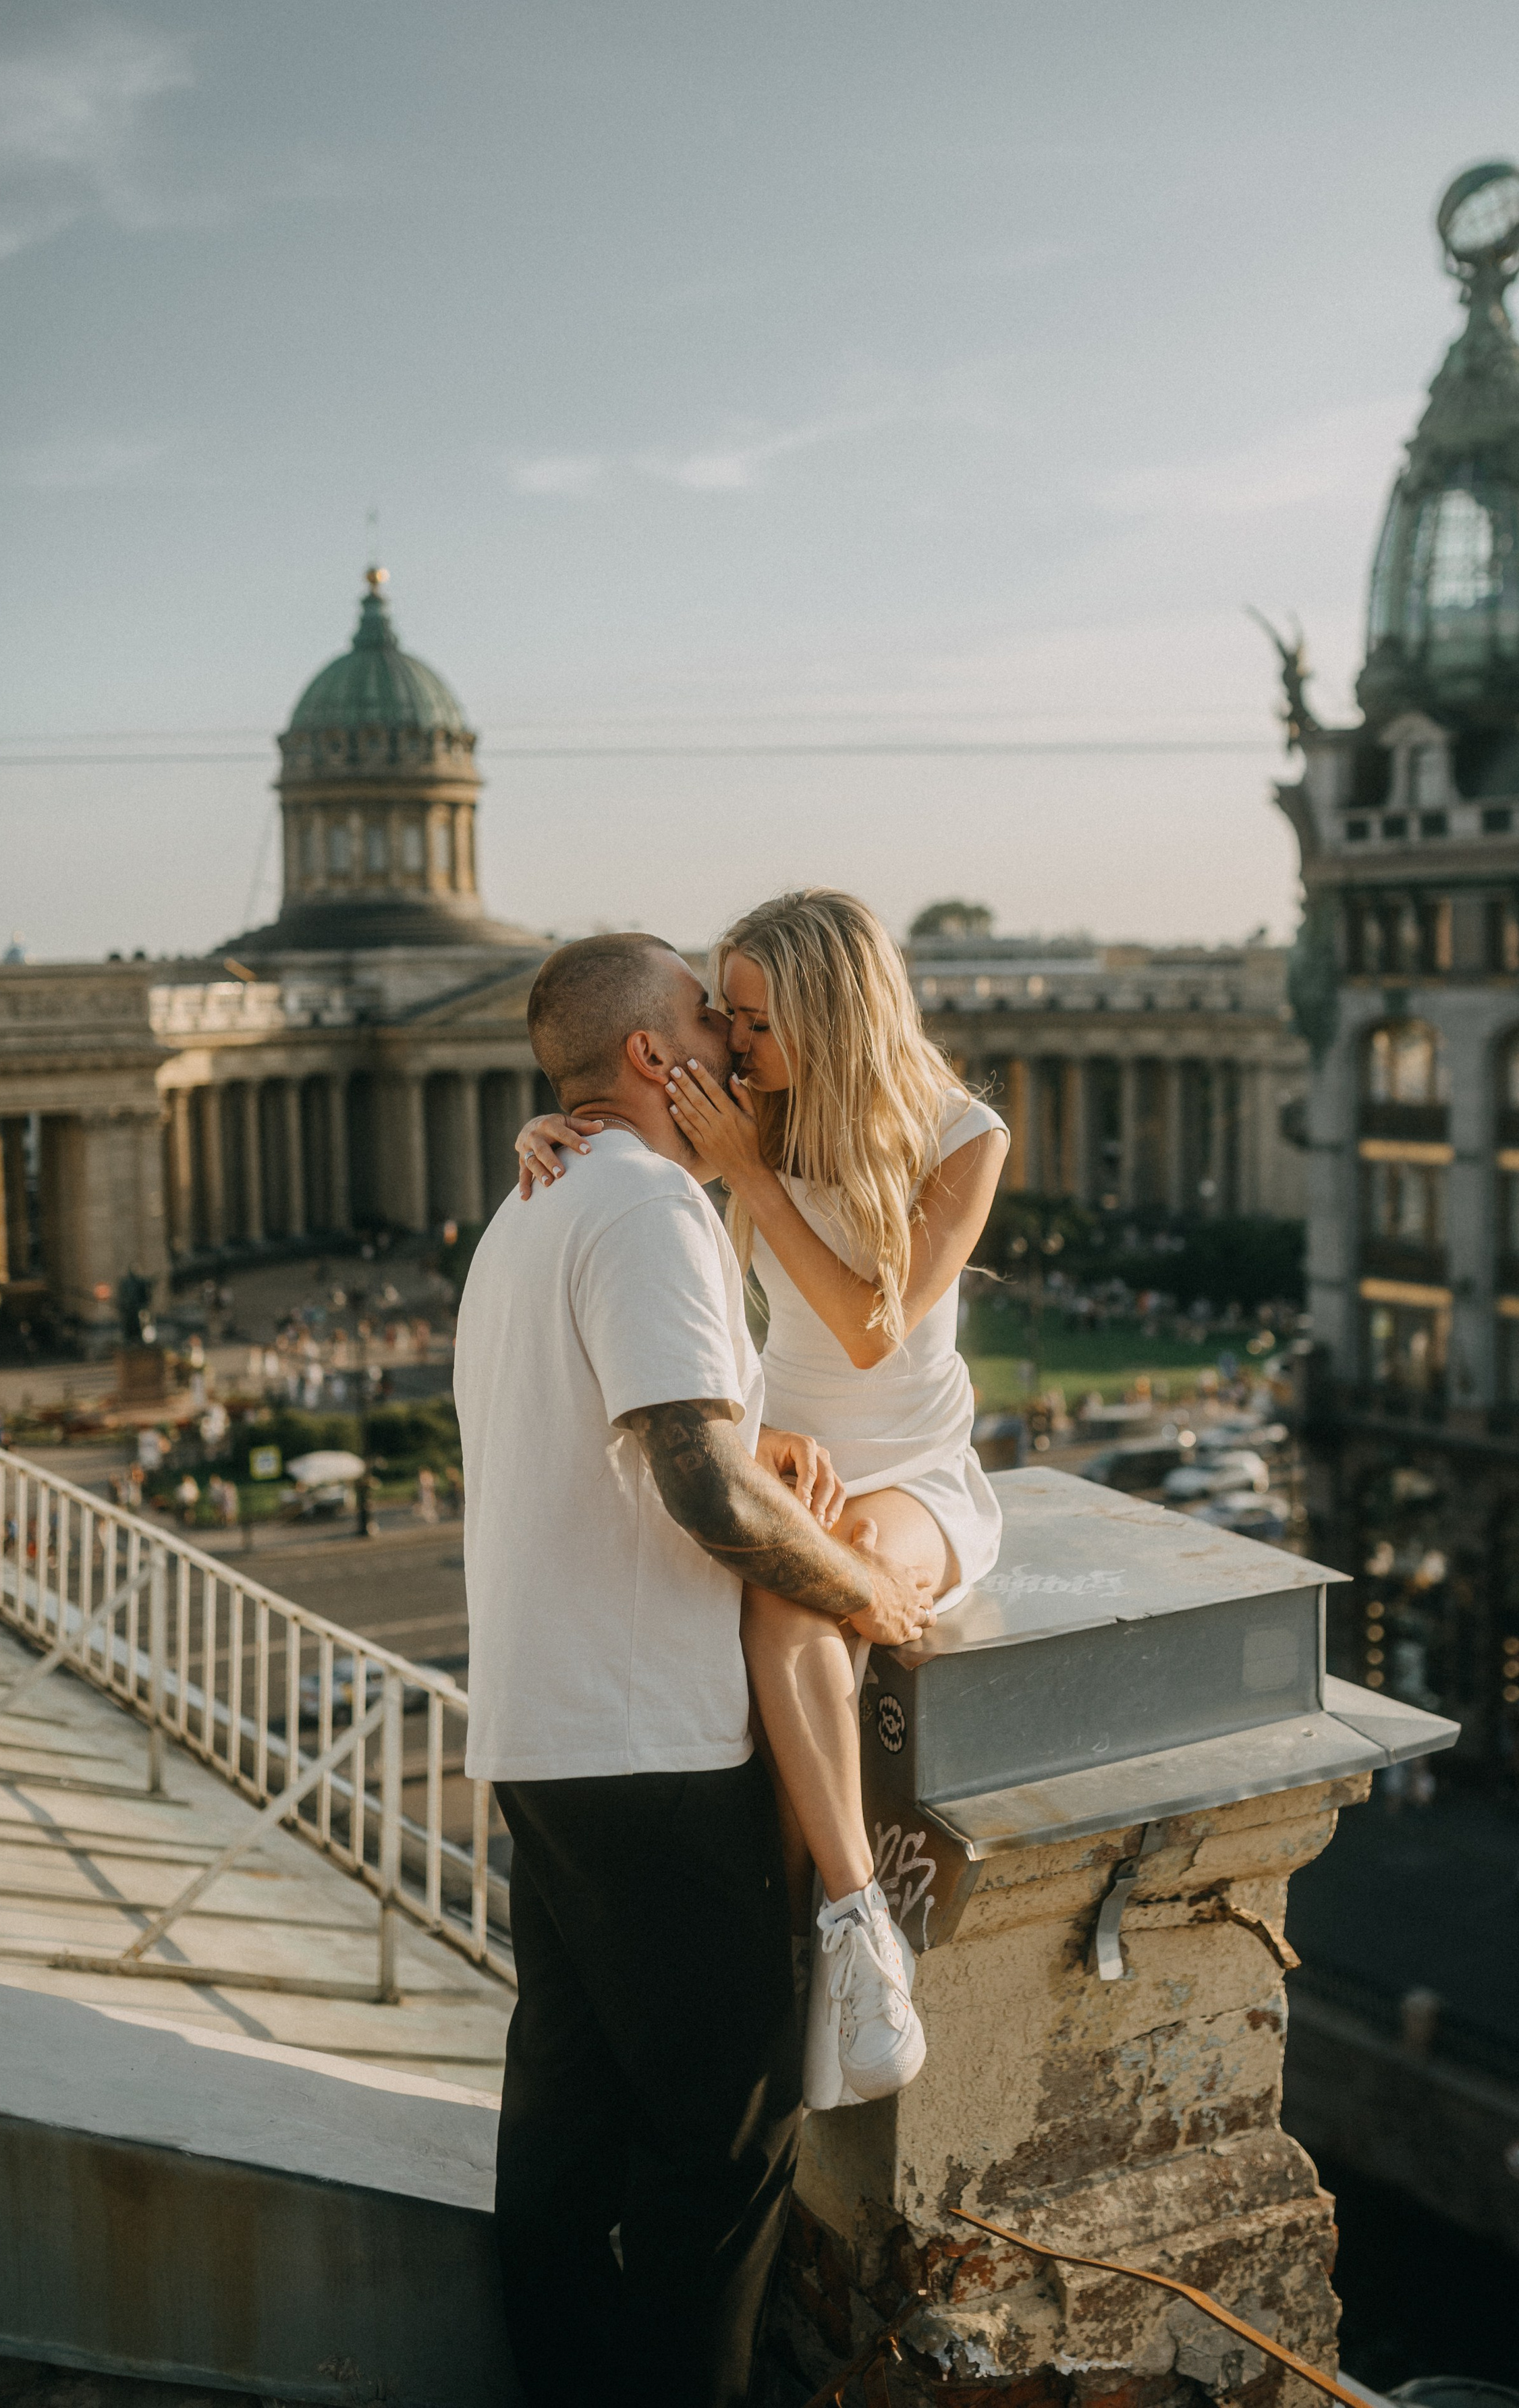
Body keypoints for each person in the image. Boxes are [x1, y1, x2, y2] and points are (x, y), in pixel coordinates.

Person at [456, 932, 937, 2408]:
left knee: (564, 2130)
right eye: (705, 1026)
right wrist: (868, 1593)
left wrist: (757, 1445)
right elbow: (701, 1492)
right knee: (722, 2157)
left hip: (537, 1737)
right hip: (651, 1750)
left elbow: (665, 1449)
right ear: (655, 1059)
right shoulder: (649, 1208)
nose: (735, 1049)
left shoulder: (526, 1210)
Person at [516, 887, 1009, 2108]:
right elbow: (649, 1195)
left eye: (751, 1019)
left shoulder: (962, 1134)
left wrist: (751, 1170)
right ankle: (796, 1961)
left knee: (792, 1612)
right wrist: (552, 1135)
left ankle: (854, 1932)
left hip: (913, 1475)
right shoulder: (757, 1114)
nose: (732, 1045)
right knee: (762, 1648)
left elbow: (867, 1328)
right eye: (725, 1018)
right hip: (789, 1460)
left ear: (833, 1015)